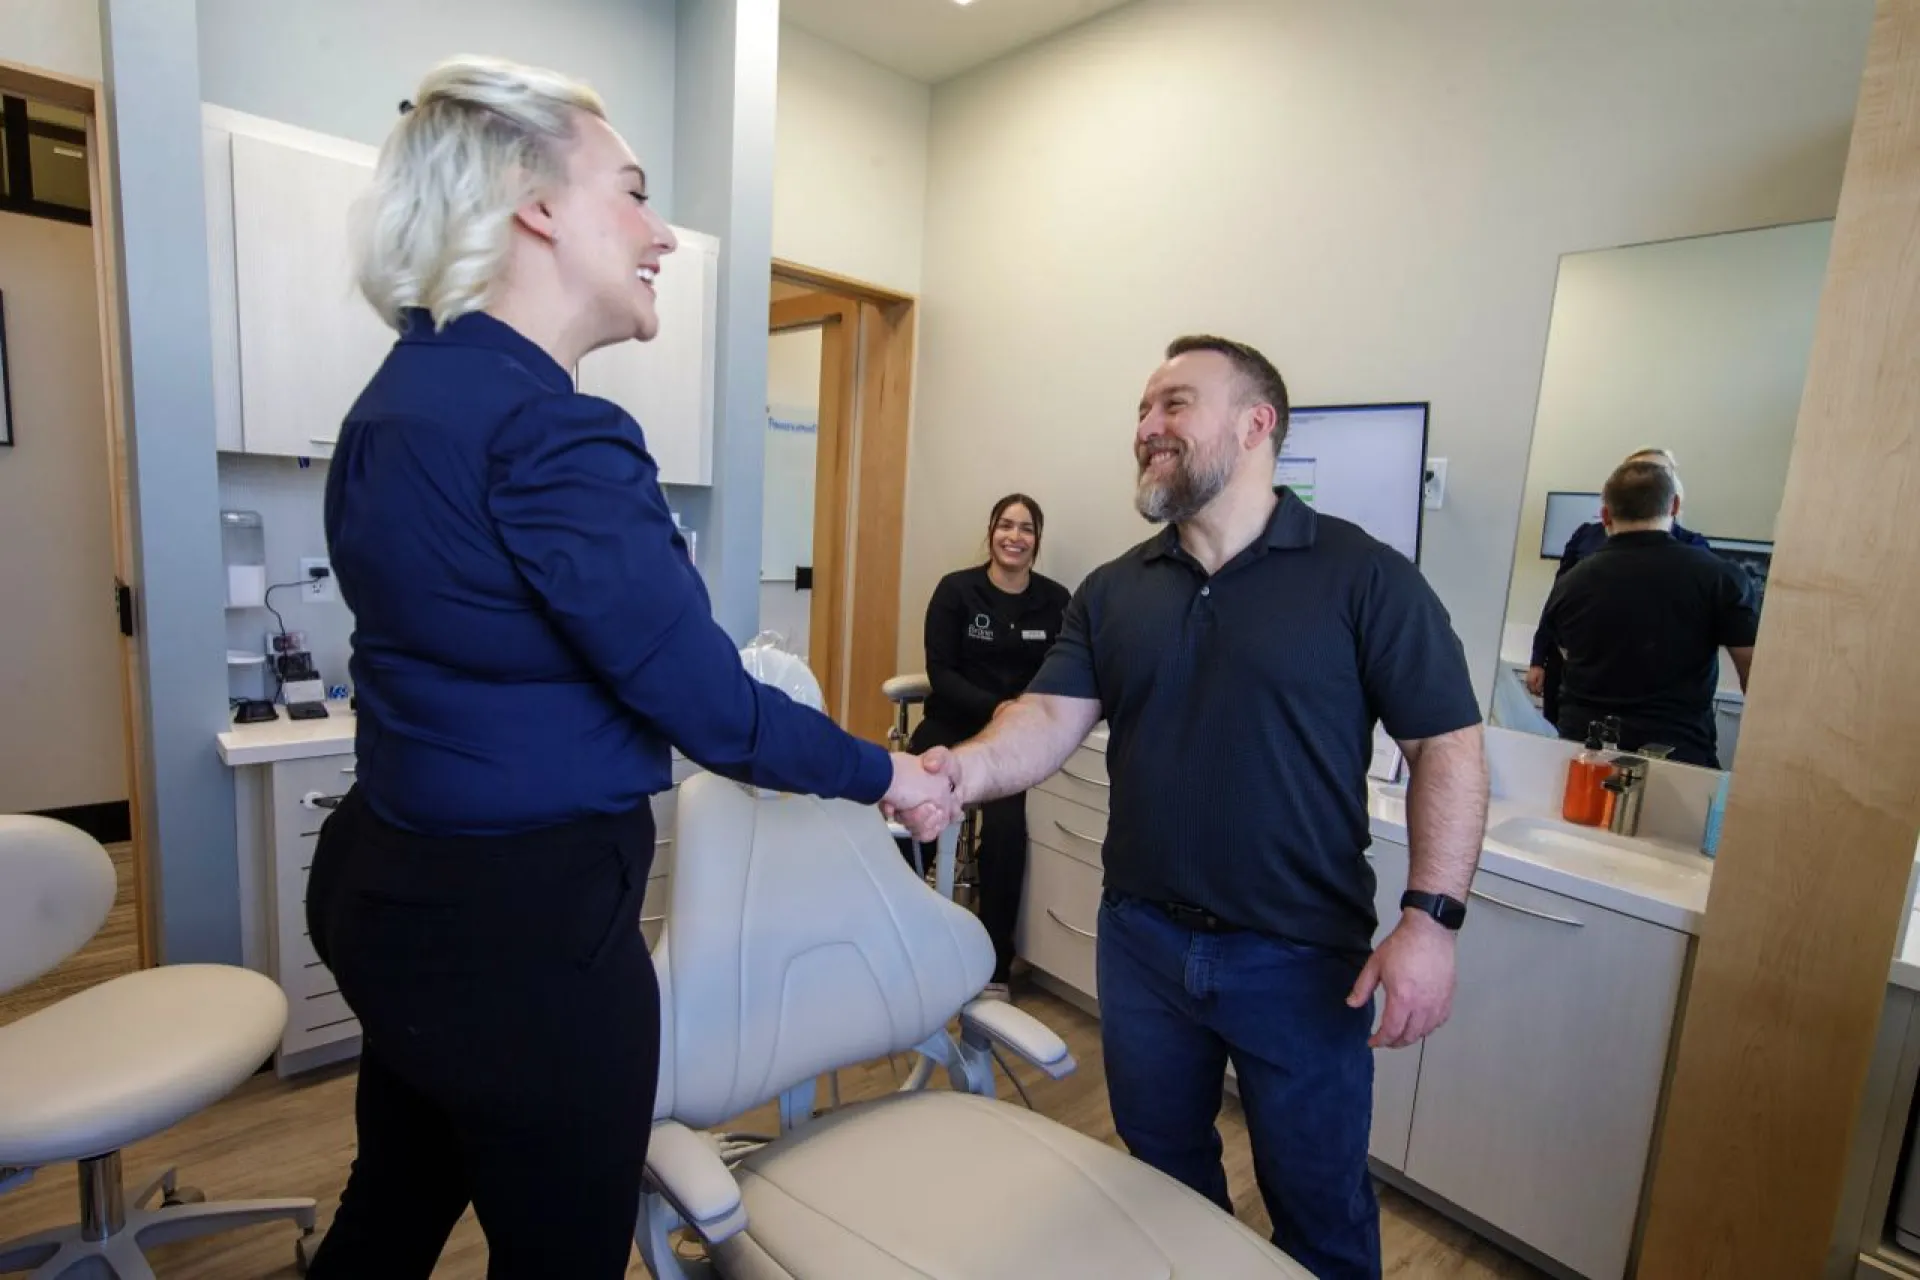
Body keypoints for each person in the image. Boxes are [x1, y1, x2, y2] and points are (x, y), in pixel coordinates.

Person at [304, 56, 952, 1279]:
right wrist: (891, 773)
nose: (661, 233)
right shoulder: (551, 427)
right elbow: (711, 706)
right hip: (520, 936)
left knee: (392, 1203)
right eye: (636, 193)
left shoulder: (394, 402)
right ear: (533, 203)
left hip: (389, 892)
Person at [915, 335, 1489, 1279]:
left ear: (1257, 423)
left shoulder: (1364, 577)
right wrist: (958, 775)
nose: (1146, 428)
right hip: (1143, 945)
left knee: (1321, 1208)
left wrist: (1431, 919)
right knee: (1166, 1184)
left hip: (1301, 958)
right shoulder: (1114, 590)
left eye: (1174, 404)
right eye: (1143, 411)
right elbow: (1048, 717)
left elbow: (1447, 747)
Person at [911, 493, 1070, 999]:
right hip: (951, 725)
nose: (1015, 537)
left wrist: (1024, 716)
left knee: (1005, 832)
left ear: (1037, 541)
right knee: (911, 806)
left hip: (1013, 743)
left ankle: (996, 964)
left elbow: (1063, 670)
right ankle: (898, 934)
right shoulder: (957, 591)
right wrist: (998, 706)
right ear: (991, 532)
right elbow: (941, 673)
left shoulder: (1056, 600)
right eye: (1006, 526)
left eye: (1026, 529)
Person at [1541, 459, 1757, 768]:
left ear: (1605, 514)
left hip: (1584, 757)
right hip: (1677, 757)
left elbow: (1568, 658)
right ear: (1675, 506)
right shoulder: (1719, 578)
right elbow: (1754, 675)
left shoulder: (1570, 584)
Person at [1526, 447, 1709, 723]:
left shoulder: (1695, 551)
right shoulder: (1586, 537)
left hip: (1654, 689)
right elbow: (1557, 601)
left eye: (1655, 474)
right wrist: (1538, 658)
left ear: (1674, 500)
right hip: (1578, 673)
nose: (1644, 482)